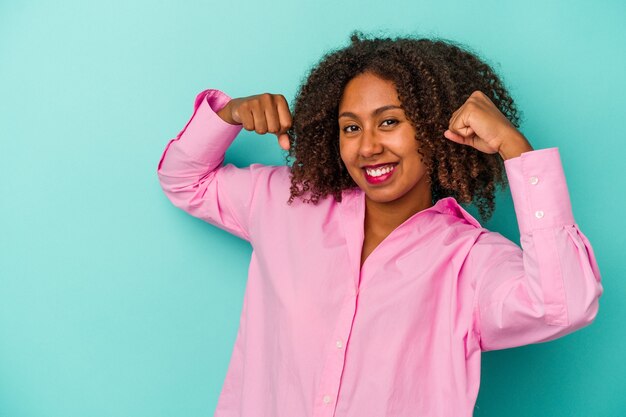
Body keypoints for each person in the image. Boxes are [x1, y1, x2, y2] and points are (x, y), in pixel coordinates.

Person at [157, 33, 603, 417]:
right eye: (351, 128)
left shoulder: (471, 261)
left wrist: (515, 151)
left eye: (388, 122)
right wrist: (229, 114)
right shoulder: (285, 203)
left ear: (433, 128)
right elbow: (184, 180)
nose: (368, 146)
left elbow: (563, 305)